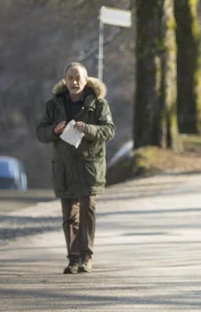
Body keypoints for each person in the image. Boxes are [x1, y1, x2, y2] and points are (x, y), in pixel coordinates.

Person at [36, 62, 115, 274]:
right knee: (69, 215)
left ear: (86, 79)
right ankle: (73, 259)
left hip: (90, 166)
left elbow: (109, 131)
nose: (74, 82)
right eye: (70, 78)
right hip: (65, 167)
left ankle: (86, 257)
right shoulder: (53, 105)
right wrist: (54, 130)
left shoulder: (98, 103)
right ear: (65, 80)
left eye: (78, 77)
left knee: (87, 212)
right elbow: (40, 133)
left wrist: (86, 128)